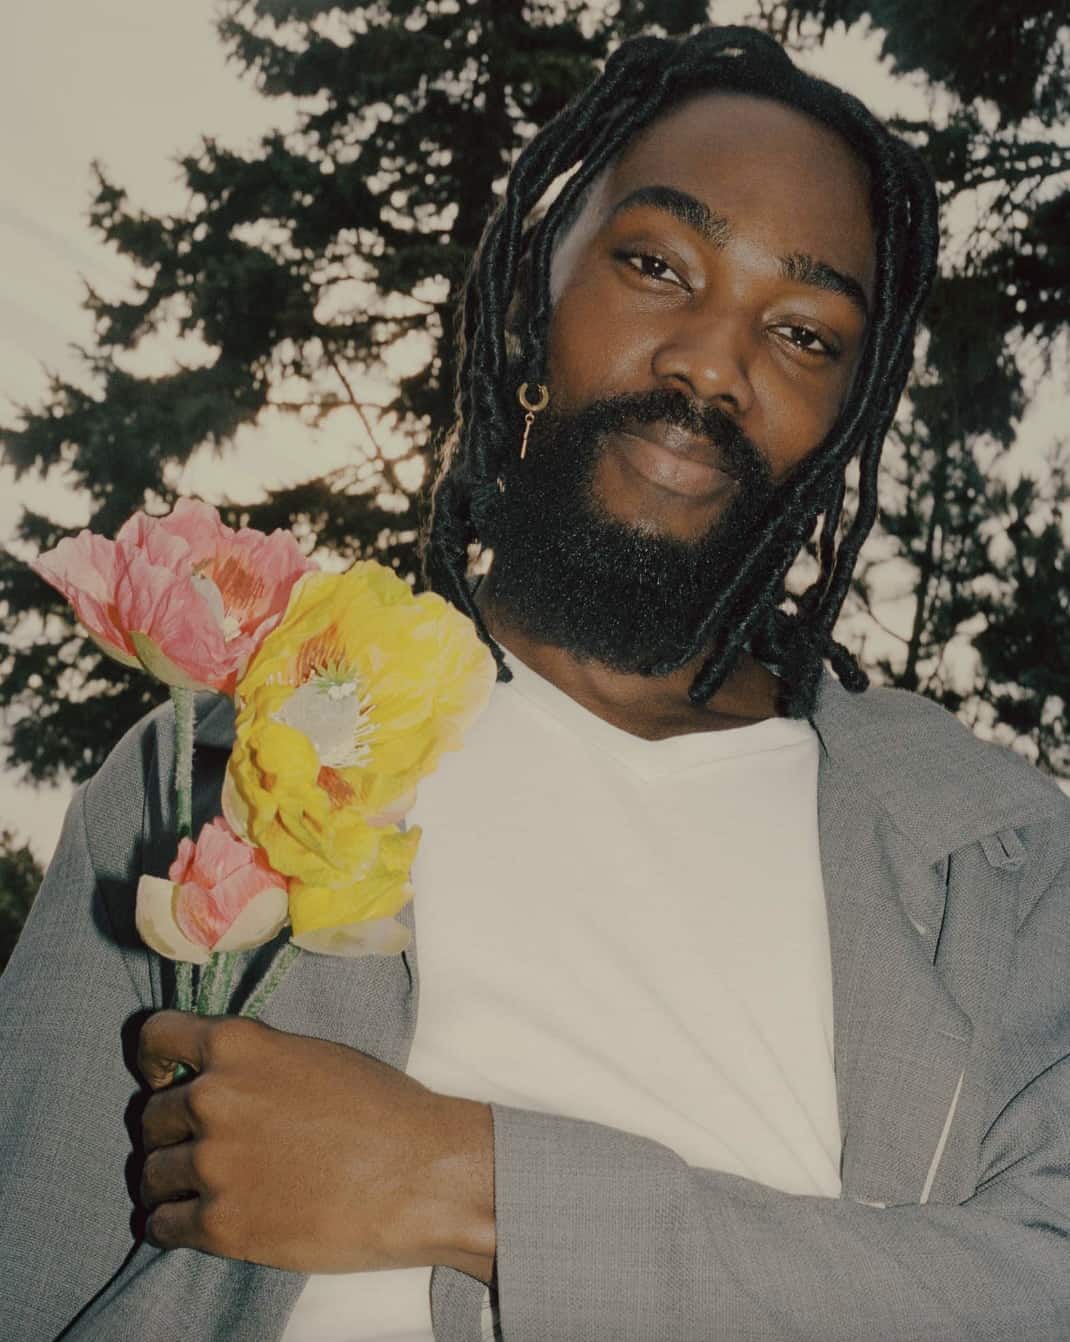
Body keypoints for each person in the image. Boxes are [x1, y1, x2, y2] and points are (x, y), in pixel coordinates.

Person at [2, 23, 1068, 1342]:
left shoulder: (1001, 855)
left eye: (801, 331)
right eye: (651, 263)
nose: (709, 361)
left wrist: (471, 1184)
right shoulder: (220, 761)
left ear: (848, 415)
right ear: (531, 293)